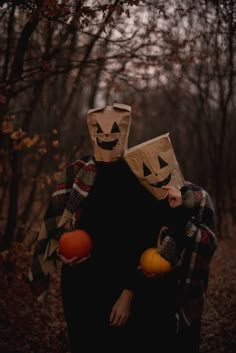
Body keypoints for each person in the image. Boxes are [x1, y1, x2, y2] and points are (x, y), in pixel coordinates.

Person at [29, 103, 147, 353]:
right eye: (99, 130)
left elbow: (144, 237)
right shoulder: (77, 173)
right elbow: (57, 222)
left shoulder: (138, 177)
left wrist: (129, 293)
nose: (105, 136)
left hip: (119, 284)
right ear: (91, 131)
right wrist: (61, 251)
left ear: (125, 131)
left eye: (113, 130)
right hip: (79, 285)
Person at [123, 134, 218, 353]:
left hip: (181, 295)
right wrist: (139, 272)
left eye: (161, 165)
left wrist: (180, 214)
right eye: (147, 170)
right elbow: (132, 244)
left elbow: (207, 245)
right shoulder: (141, 200)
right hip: (146, 298)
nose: (156, 174)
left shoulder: (197, 198)